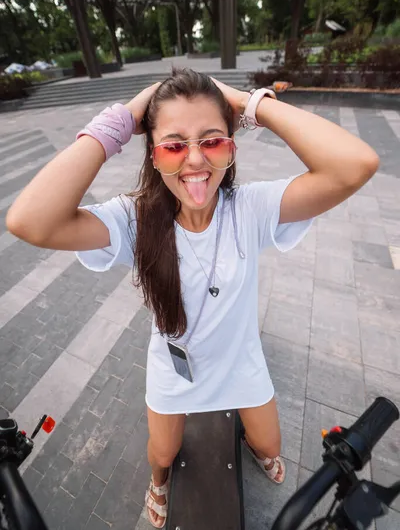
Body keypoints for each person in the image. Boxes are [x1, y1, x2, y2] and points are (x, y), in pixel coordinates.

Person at [6, 69, 379, 528]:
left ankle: (248, 450)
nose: (196, 161)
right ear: (153, 152)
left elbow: (354, 165)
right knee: (161, 453)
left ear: (232, 144)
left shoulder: (248, 208)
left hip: (240, 363)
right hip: (174, 370)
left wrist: (247, 102)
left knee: (270, 447)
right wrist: (125, 117)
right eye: (174, 144)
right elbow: (30, 221)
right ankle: (158, 482)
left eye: (212, 140)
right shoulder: (134, 220)